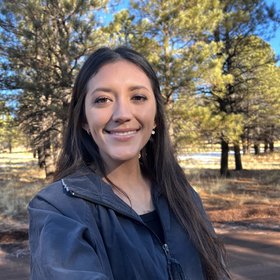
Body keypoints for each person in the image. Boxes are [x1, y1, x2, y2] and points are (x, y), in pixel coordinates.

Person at [28, 46, 230, 280]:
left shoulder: (183, 196)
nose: (122, 113)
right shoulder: (57, 209)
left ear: (155, 116)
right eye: (103, 100)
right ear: (83, 119)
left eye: (138, 97)